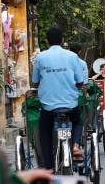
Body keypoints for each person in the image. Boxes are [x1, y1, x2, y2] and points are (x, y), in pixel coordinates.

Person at [31, 26, 87, 170]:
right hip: (70, 105)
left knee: (44, 131)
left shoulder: (40, 57)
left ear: (46, 41)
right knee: (78, 121)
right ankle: (75, 145)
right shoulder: (72, 57)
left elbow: (35, 82)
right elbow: (80, 82)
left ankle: (48, 167)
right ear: (62, 41)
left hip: (48, 107)